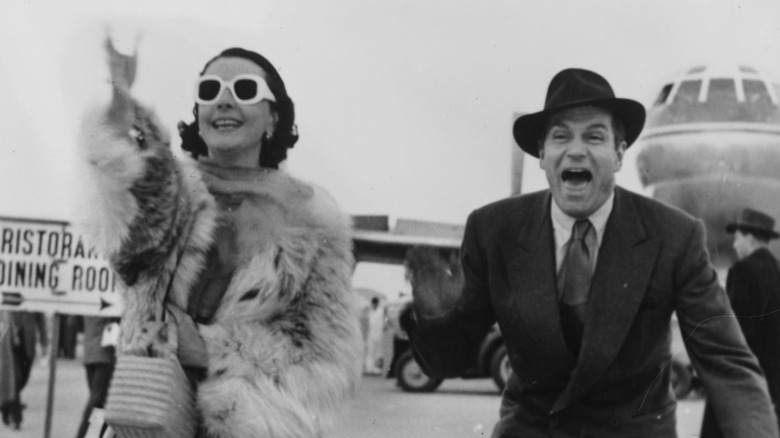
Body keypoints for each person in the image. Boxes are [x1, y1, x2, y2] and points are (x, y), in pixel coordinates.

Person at [401, 68, 779, 437]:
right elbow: (446, 360)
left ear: (618, 154)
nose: (576, 150)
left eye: (594, 137)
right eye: (561, 137)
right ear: (542, 154)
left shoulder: (675, 236)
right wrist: (435, 317)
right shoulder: (493, 230)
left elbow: (727, 364)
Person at [78, 40, 363, 437]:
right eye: (209, 91)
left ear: (273, 118)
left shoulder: (310, 215)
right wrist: (119, 116)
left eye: (244, 90)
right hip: (151, 410)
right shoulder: (177, 183)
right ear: (199, 114)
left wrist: (213, 350)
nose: (224, 102)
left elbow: (328, 358)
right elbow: (128, 247)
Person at [700, 208, 780, 437]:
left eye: (737, 239)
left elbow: (734, 333)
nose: (735, 246)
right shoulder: (777, 270)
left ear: (750, 238)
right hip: (771, 388)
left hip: (740, 386)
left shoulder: (744, 271)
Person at [1, 311, 47, 430]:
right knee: (15, 380)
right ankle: (16, 418)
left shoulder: (34, 294)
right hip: (10, 344)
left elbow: (40, 319)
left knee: (23, 379)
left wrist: (44, 342)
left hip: (27, 344)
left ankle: (6, 403)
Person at [74, 317, 119, 438]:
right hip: (103, 354)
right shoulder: (110, 300)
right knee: (97, 400)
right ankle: (83, 435)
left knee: (100, 402)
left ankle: (94, 434)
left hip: (91, 352)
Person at [364, 297, 385, 374]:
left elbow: (386, 321)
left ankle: (377, 368)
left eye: (375, 304)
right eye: (373, 304)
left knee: (379, 353)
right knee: (370, 352)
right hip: (371, 335)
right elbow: (367, 323)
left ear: (378, 304)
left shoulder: (382, 311)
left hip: (380, 335)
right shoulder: (370, 311)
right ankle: (369, 368)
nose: (374, 305)